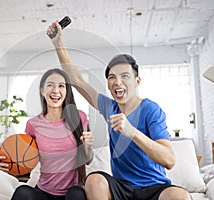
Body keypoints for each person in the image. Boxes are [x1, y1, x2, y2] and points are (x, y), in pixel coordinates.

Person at [46, 21, 191, 200]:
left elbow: (169, 160)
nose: (117, 82)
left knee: (180, 196)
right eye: (112, 77)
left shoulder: (151, 110)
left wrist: (132, 132)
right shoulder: (109, 107)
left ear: (137, 81)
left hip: (154, 188)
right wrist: (58, 43)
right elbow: (76, 80)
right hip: (122, 189)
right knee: (94, 180)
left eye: (125, 76)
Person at [0, 68, 94, 200]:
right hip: (44, 193)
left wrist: (88, 147)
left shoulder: (79, 117)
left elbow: (88, 160)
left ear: (66, 91)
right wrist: (4, 159)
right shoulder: (33, 124)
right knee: (22, 191)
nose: (55, 90)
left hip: (72, 193)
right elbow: (24, 159)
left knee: (76, 194)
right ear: (42, 90)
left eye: (61, 86)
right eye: (50, 85)